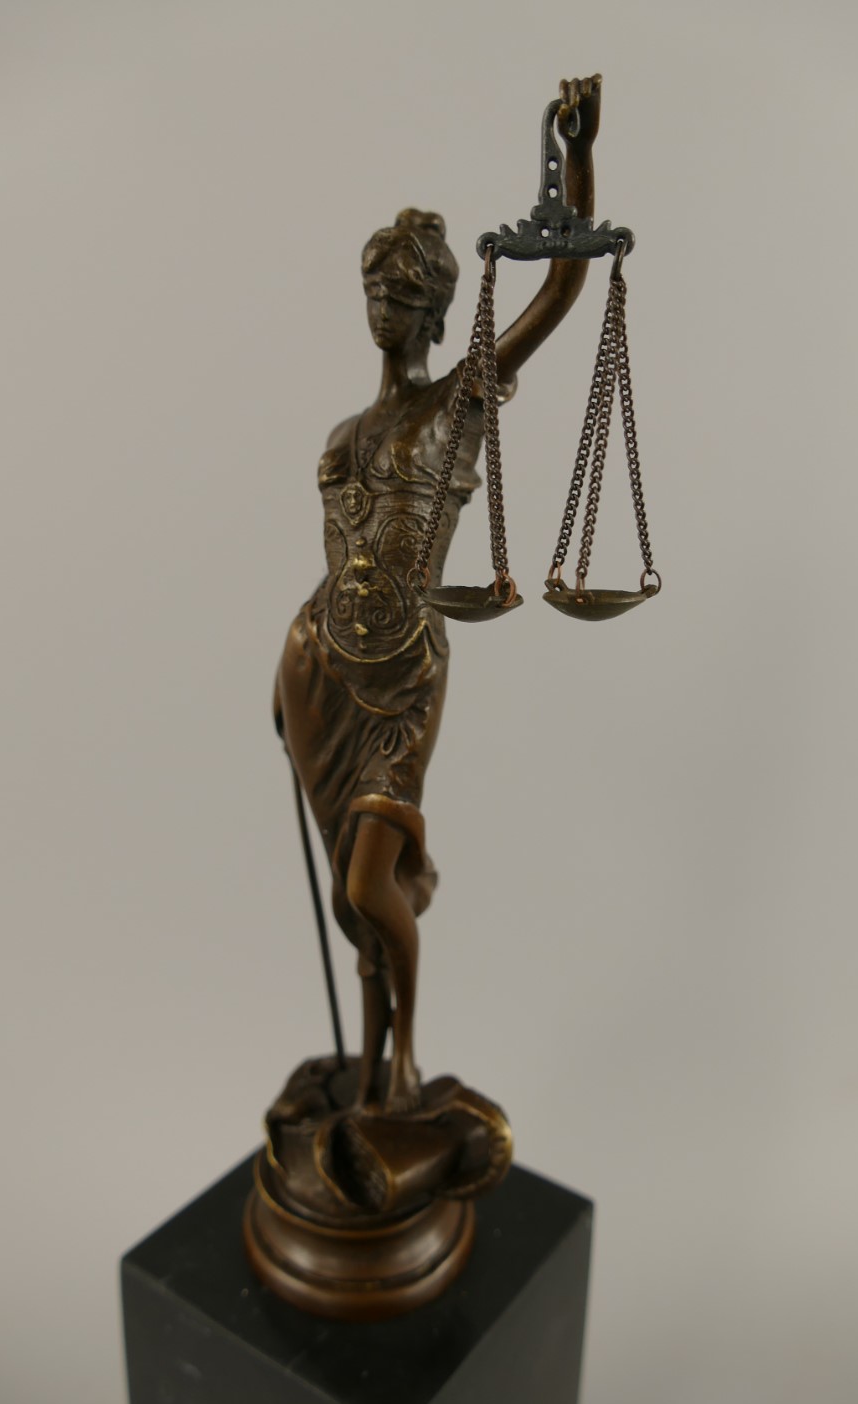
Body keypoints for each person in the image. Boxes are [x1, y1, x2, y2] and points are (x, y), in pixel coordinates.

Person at [276, 78, 603, 1114]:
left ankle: (405, 1056)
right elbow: (336, 556)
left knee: (372, 882)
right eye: (375, 292)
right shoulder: (343, 434)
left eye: (404, 296)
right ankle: (369, 1063)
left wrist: (577, 158)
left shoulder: (457, 404)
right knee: (350, 901)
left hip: (403, 674)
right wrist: (282, 671)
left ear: (437, 313)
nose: (385, 309)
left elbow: (562, 292)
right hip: (316, 667)